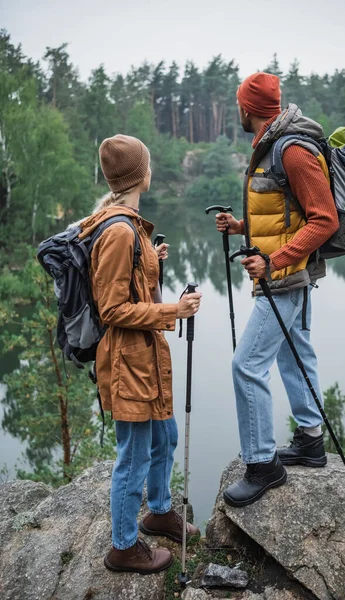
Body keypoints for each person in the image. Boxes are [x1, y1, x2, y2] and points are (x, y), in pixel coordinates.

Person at [79, 134, 201, 574]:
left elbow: (128, 285)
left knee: (164, 437)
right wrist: (175, 310)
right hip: (128, 362)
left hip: (145, 358)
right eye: (148, 164)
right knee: (133, 455)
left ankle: (160, 512)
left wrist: (151, 259)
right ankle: (124, 547)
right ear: (140, 174)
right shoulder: (116, 231)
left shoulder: (130, 228)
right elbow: (112, 308)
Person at [215, 73, 339, 508]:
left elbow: (324, 220)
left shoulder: (292, 149)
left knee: (246, 366)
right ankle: (309, 440)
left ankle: (262, 464)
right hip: (284, 275)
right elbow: (284, 215)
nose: (238, 111)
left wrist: (272, 262)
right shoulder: (274, 144)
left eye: (239, 105)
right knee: (295, 352)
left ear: (247, 109)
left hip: (285, 280)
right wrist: (241, 227)